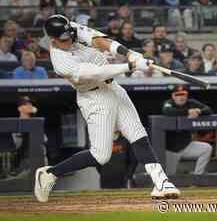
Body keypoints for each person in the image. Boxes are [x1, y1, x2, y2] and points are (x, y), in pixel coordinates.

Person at [34, 14, 180, 203]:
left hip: (113, 88)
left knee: (138, 134)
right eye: (63, 39)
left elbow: (101, 41)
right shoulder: (61, 61)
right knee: (100, 155)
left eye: (70, 35)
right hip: (94, 98)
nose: (69, 40)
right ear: (53, 40)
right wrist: (131, 65)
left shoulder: (71, 29)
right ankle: (50, 173)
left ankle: (161, 183)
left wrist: (129, 53)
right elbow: (97, 73)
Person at [162, 85, 213, 175]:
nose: (180, 97)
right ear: (173, 96)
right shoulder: (169, 103)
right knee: (169, 177)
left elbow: (208, 109)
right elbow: (167, 111)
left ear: (186, 95)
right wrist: (188, 112)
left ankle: (197, 177)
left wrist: (199, 111)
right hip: (171, 150)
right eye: (177, 95)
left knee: (207, 148)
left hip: (186, 146)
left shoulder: (191, 102)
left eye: (183, 94)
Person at [12, 96, 49, 176]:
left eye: (30, 103)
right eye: (26, 104)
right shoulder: (17, 124)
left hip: (40, 159)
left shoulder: (36, 122)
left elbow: (44, 140)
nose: (30, 106)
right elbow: (17, 145)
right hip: (25, 161)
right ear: (20, 108)